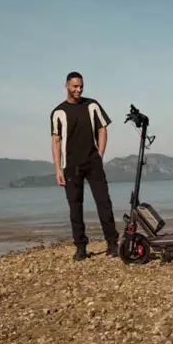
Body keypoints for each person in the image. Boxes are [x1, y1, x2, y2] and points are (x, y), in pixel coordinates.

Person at [50, 71, 120, 261]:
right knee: (75, 208)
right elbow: (56, 141)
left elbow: (102, 128)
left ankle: (112, 243)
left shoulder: (92, 105)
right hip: (71, 166)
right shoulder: (58, 112)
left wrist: (100, 154)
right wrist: (57, 169)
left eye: (81, 86)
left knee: (104, 202)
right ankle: (80, 247)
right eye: (75, 86)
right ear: (66, 86)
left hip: (93, 163)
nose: (79, 90)